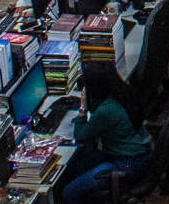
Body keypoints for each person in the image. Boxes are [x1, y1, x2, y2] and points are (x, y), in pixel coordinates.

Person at [60, 66, 155, 204]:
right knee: (75, 166)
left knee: (69, 192)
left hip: (126, 164)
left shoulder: (106, 111)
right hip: (138, 155)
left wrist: (82, 110)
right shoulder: (122, 92)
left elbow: (80, 136)